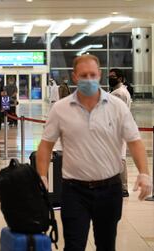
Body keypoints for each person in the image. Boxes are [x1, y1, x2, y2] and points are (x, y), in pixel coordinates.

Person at [36, 54, 152, 251]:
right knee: (74, 245)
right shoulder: (60, 109)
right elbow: (45, 145)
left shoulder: (117, 107)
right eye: (83, 75)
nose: (88, 79)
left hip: (109, 189)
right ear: (74, 77)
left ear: (99, 75)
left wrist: (144, 172)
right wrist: (42, 176)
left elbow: (135, 141)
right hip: (74, 190)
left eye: (92, 74)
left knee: (106, 245)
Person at [109, 68, 132, 197]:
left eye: (113, 76)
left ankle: (123, 188)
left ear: (120, 78)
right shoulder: (118, 91)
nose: (110, 78)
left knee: (120, 158)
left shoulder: (119, 93)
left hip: (118, 130)